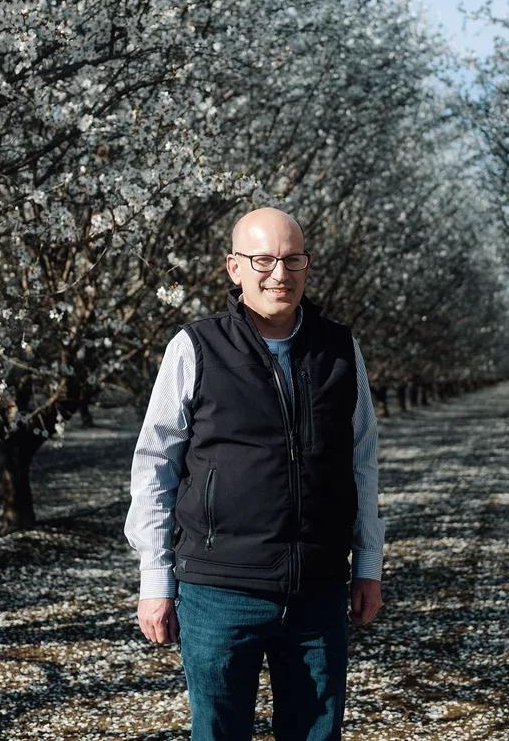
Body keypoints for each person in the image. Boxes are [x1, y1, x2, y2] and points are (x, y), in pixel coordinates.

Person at [124, 206, 385, 741]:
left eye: (293, 260)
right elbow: (155, 464)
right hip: (220, 588)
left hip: (317, 589)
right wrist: (156, 578)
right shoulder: (195, 347)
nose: (279, 274)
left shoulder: (340, 350)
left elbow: (362, 461)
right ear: (234, 267)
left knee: (316, 733)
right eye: (263, 259)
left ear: (307, 266)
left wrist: (369, 565)